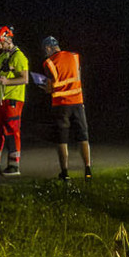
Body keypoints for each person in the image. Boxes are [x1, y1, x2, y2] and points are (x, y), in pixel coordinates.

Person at [31, 33, 91, 179]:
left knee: (62, 140)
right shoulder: (74, 56)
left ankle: (64, 172)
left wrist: (42, 86)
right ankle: (88, 169)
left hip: (61, 105)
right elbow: (78, 76)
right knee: (83, 137)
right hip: (78, 102)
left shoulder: (49, 63)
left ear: (48, 48)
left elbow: (51, 88)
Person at [0, 24, 30, 175]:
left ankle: (14, 165)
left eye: (0, 42)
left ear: (8, 39)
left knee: (11, 131)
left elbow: (25, 79)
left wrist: (8, 82)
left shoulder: (19, 56)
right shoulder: (3, 54)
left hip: (13, 98)